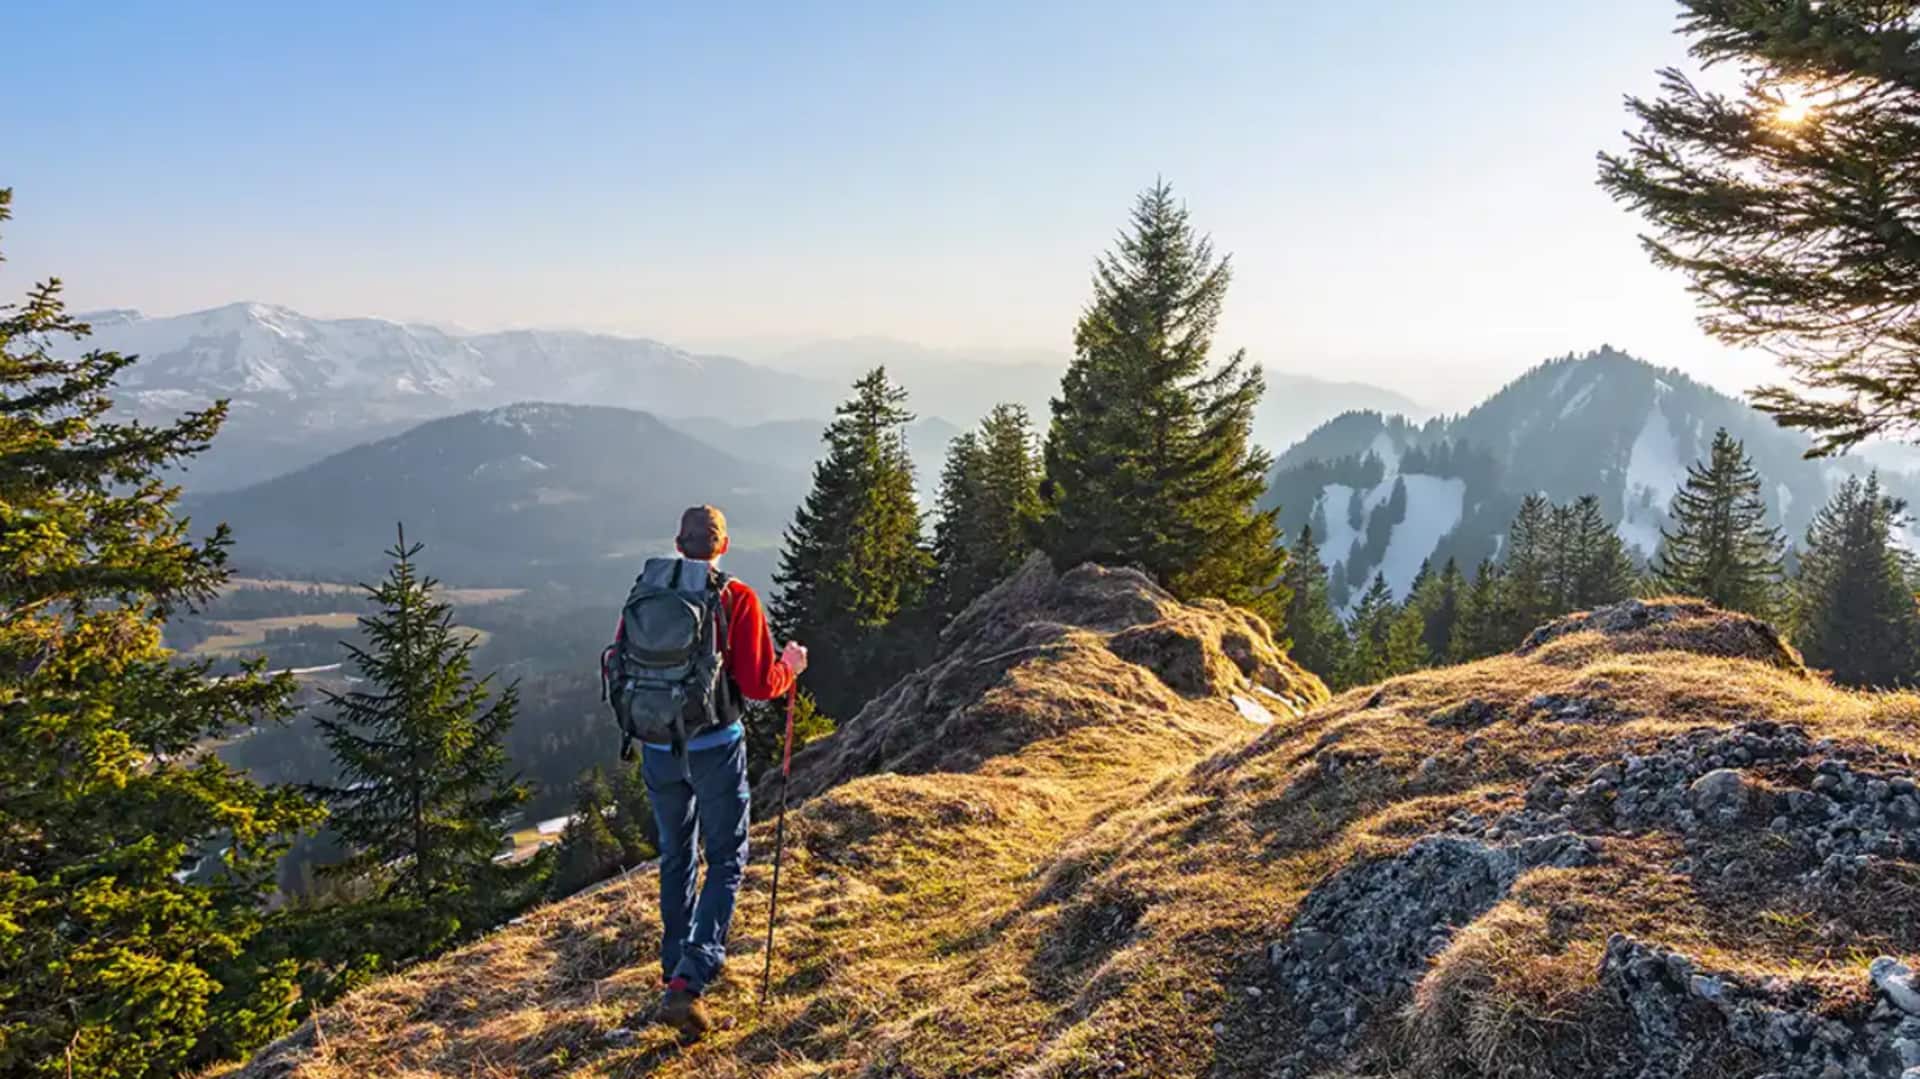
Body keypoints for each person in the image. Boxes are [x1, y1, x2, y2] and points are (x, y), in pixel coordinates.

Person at [614, 505, 807, 1038]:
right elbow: (759, 682)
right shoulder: (735, 597)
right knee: (725, 859)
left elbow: (623, 661)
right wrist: (789, 667)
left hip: (657, 743)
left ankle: (673, 968)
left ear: (679, 543)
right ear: (722, 546)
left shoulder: (646, 592)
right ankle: (690, 979)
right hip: (716, 744)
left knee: (677, 854)